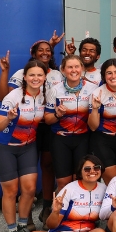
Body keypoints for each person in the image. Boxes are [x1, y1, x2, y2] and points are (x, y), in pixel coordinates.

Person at [0, 39, 63, 224]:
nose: (45, 53)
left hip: (49, 124)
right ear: (33, 54)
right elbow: (3, 97)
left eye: (48, 50)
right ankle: (25, 218)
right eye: (40, 50)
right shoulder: (22, 74)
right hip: (27, 126)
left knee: (48, 166)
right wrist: (5, 73)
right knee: (29, 168)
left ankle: (46, 208)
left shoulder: (57, 74)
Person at [0, 60, 47, 232]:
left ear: (44, 77)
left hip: (28, 147)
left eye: (39, 75)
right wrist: (8, 118)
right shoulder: (13, 96)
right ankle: (12, 230)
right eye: (32, 75)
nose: (36, 78)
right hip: (5, 147)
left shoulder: (44, 95)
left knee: (30, 189)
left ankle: (23, 224)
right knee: (11, 191)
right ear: (24, 77)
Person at [26, 155, 107, 232]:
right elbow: (52, 225)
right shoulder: (70, 189)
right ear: (80, 171)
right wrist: (55, 212)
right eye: (87, 169)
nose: (92, 171)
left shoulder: (104, 189)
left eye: (96, 167)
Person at [45, 55, 98, 194]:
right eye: (70, 67)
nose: (74, 70)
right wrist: (57, 115)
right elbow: (48, 119)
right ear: (63, 70)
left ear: (82, 69)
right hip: (60, 138)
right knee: (63, 181)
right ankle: (60, 213)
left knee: (80, 178)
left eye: (77, 66)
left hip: (83, 138)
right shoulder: (55, 90)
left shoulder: (93, 89)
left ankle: (79, 212)